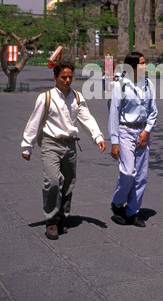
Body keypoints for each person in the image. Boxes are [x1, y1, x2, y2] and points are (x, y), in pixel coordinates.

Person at [21, 61, 106, 240]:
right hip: (51, 144)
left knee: (68, 184)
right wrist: (27, 146)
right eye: (63, 77)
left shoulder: (77, 97)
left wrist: (97, 136)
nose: (67, 80)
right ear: (55, 78)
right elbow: (34, 122)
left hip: (70, 145)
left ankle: (62, 217)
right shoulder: (46, 97)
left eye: (69, 77)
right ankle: (51, 221)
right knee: (52, 181)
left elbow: (86, 118)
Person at [109, 52, 158, 227]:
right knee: (128, 171)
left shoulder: (148, 85)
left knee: (141, 175)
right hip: (125, 131)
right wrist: (114, 142)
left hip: (143, 132)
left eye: (145, 62)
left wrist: (146, 131)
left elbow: (153, 112)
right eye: (142, 63)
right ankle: (117, 202)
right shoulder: (120, 86)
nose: (146, 66)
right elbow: (114, 115)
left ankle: (132, 212)